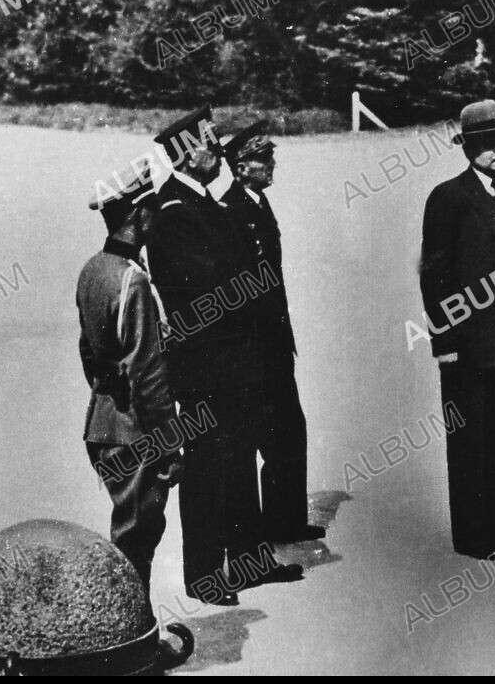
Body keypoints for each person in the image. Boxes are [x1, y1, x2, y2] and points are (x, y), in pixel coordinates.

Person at [146, 105, 294, 604]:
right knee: (209, 468)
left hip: (234, 361)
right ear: (190, 155)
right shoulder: (174, 213)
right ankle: (206, 575)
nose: (219, 152)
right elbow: (208, 289)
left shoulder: (205, 203)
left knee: (239, 459)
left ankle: (250, 562)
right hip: (207, 366)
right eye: (211, 145)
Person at [419, 100, 495, 561]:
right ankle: (473, 538)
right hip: (469, 346)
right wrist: (445, 343)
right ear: (468, 148)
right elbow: (435, 276)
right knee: (470, 441)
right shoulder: (448, 197)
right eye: (489, 143)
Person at [76, 159, 183, 590]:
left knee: (131, 533)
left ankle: (136, 624)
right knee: (137, 538)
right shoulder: (132, 280)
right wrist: (170, 446)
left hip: (103, 424)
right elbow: (149, 374)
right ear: (140, 216)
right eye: (152, 211)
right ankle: (130, 628)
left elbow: (87, 351)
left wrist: (110, 389)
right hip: (136, 433)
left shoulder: (92, 269)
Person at [219, 121, 326, 545]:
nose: (271, 164)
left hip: (275, 343)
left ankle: (287, 521)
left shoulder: (258, 204)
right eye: (263, 158)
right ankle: (276, 525)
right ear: (241, 167)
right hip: (256, 349)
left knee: (289, 432)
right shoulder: (233, 211)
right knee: (273, 434)